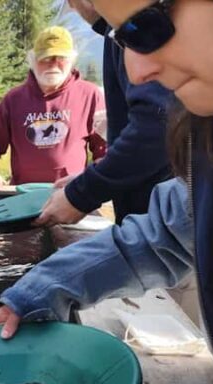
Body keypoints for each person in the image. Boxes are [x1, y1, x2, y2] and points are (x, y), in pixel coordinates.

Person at [0, 0, 213, 384]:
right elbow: (158, 234)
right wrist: (41, 289)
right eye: (117, 36)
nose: (137, 71)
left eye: (146, 27)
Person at [36, 0, 173, 226]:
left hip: (161, 221)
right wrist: (93, 177)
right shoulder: (118, 33)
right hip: (146, 216)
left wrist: (83, 193)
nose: (138, 73)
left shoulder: (133, 28)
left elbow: (156, 124)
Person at [0, 26, 107, 187]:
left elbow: (105, 149)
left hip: (72, 196)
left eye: (60, 58)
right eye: (45, 58)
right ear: (33, 60)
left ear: (71, 60)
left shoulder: (91, 95)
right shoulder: (13, 99)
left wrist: (92, 183)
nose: (53, 64)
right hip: (22, 196)